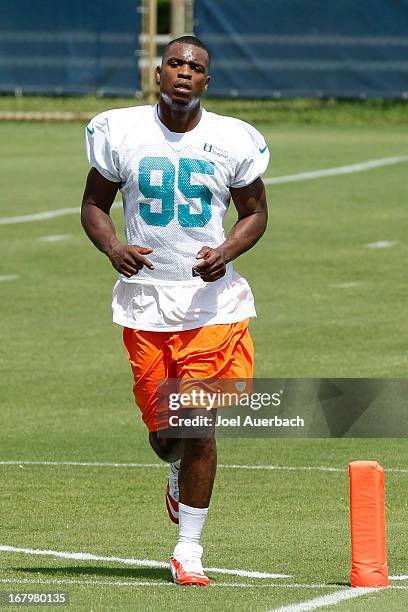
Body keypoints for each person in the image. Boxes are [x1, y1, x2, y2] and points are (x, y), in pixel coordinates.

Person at [81, 35, 269, 586]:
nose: (185, 72)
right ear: (158, 72)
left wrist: (227, 249)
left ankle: (189, 547)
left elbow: (255, 213)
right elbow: (94, 204)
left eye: (196, 67)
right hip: (145, 304)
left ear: (207, 81)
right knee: (167, 434)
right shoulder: (122, 132)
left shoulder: (232, 138)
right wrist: (113, 247)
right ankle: (173, 465)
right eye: (176, 63)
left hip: (213, 305)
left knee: (198, 426)